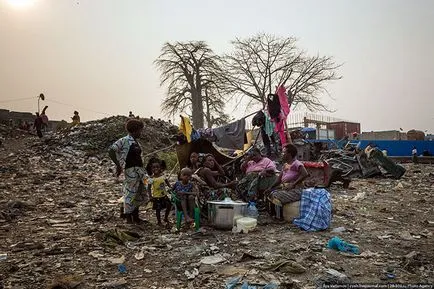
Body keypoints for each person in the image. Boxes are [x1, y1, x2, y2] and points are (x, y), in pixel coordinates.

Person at [109, 119, 148, 224]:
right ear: (135, 130)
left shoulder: (136, 142)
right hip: (131, 171)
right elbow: (112, 150)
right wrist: (118, 165)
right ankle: (129, 218)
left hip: (139, 171)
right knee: (130, 194)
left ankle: (136, 217)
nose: (141, 132)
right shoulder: (124, 140)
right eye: (140, 130)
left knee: (139, 193)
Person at [266, 143, 309, 219]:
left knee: (275, 195)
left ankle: (279, 217)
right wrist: (270, 187)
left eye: (284, 152)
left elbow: (305, 174)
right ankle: (273, 215)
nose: (282, 154)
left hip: (296, 190)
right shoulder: (285, 165)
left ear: (289, 154)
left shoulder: (296, 163)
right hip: (286, 189)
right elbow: (279, 180)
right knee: (269, 193)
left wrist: (293, 184)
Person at [146, 157, 172, 226]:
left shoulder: (163, 176)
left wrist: (170, 187)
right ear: (151, 169)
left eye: (157, 167)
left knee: (169, 205)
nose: (155, 169)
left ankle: (166, 218)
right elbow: (148, 188)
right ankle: (159, 221)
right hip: (156, 197)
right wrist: (150, 196)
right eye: (154, 167)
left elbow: (167, 182)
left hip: (164, 195)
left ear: (160, 168)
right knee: (158, 210)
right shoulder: (151, 179)